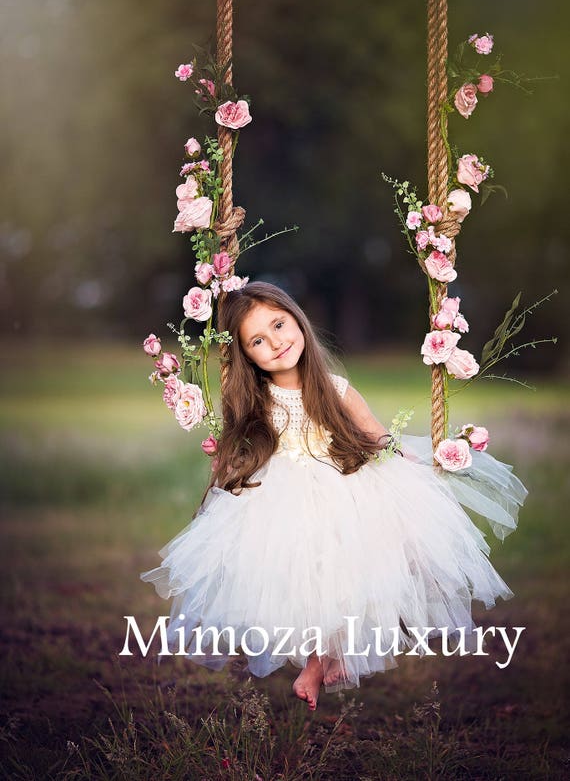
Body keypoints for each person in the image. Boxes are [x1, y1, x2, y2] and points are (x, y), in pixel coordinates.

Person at [140, 282, 527, 711]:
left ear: (297, 319)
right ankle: (319, 658)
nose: (276, 342)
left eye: (279, 325)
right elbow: (243, 450)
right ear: (247, 355)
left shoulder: (337, 388)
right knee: (307, 579)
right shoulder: (255, 401)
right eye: (258, 341)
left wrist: (410, 458)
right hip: (282, 500)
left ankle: (332, 655)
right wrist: (228, 463)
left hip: (345, 485)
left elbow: (375, 434)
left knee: (360, 569)